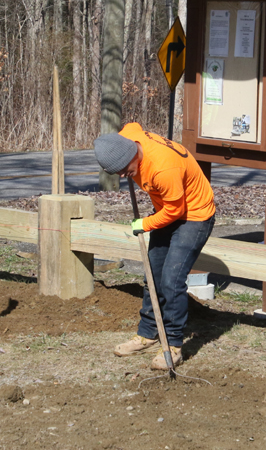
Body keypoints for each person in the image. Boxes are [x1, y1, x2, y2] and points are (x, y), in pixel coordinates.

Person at [93, 123, 216, 370]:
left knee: (171, 279)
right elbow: (132, 125)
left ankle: (172, 344)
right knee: (153, 274)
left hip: (193, 216)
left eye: (124, 170)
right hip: (167, 210)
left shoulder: (163, 168)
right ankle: (148, 333)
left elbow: (176, 210)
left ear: (133, 155)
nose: (122, 176)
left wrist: (145, 223)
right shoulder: (127, 139)